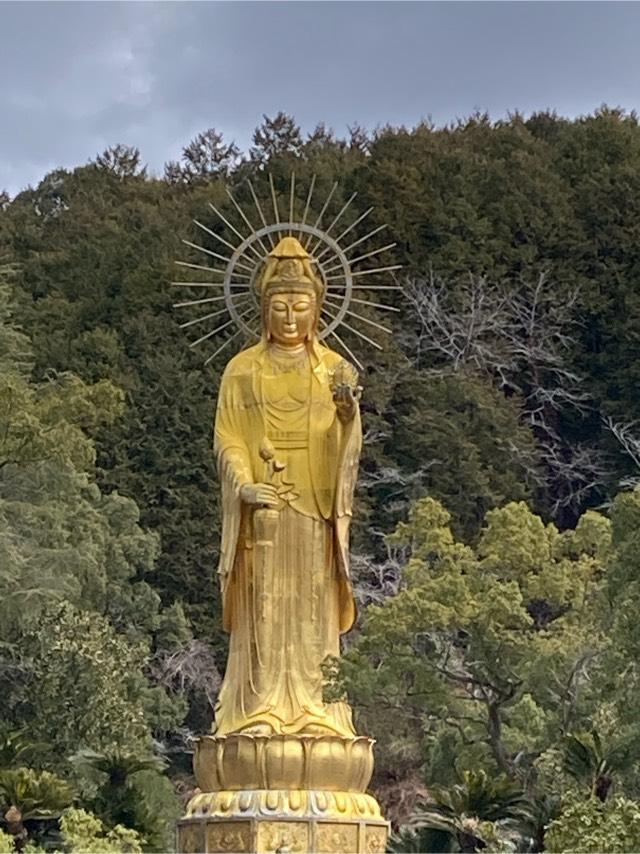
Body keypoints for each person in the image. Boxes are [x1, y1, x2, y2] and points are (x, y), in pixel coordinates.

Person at [213, 236, 361, 738]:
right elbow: (228, 439)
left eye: (301, 307)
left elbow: (346, 443)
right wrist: (245, 486)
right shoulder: (241, 372)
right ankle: (257, 709)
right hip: (266, 510)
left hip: (315, 508)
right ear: (263, 309)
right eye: (280, 307)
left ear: (317, 309)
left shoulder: (335, 370)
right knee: (265, 609)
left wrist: (346, 415)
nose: (291, 318)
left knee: (312, 611)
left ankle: (319, 711)